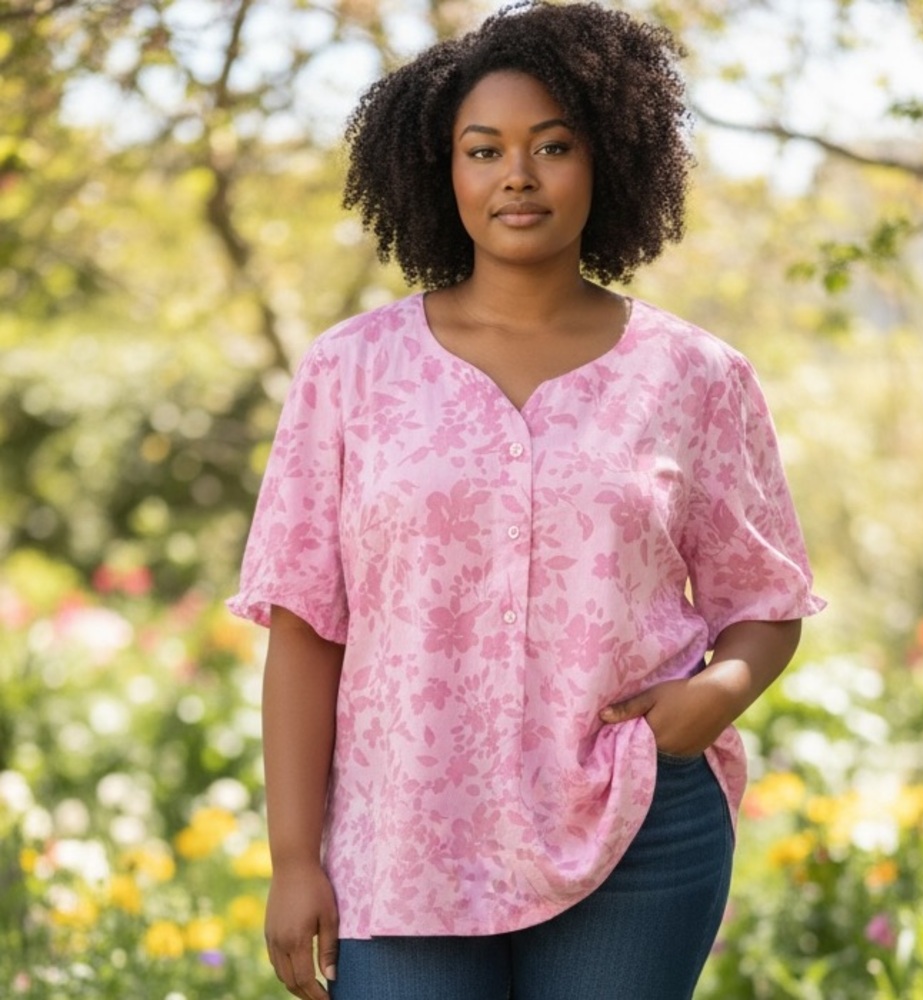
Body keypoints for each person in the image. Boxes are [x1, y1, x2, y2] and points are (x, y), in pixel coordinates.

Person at [228, 3, 825, 998]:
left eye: (554, 145)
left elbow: (763, 595)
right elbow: (304, 626)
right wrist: (295, 857)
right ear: (439, 170)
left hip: (633, 823)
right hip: (401, 839)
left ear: (608, 161)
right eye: (483, 148)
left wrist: (711, 700)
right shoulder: (350, 372)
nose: (518, 174)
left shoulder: (693, 375)